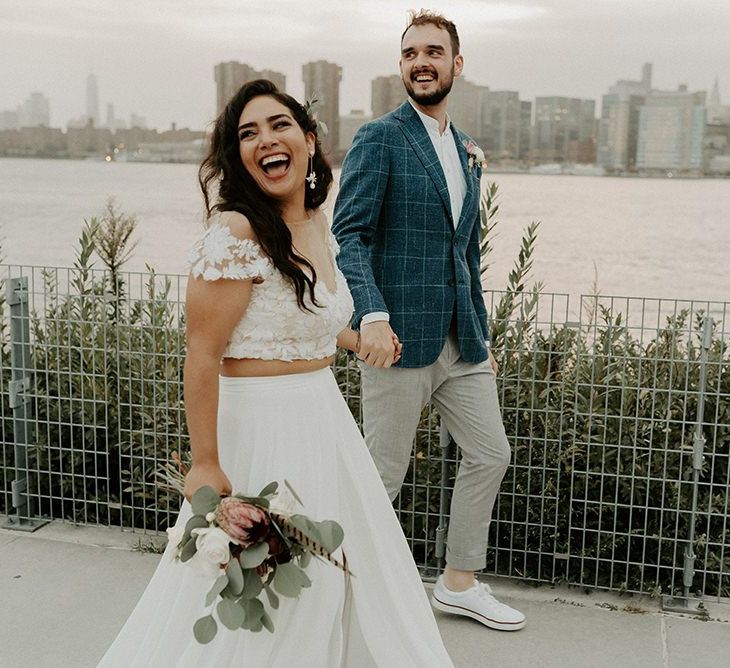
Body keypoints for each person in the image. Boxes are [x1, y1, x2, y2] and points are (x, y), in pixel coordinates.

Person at [97, 79, 455, 668]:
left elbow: (302, 318)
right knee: (257, 589)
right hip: (259, 431)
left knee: (333, 583)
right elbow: (202, 354)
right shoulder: (236, 234)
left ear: (309, 142)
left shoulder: (317, 222)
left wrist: (356, 337)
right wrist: (206, 464)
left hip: (324, 423)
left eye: (279, 125)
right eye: (247, 133)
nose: (266, 139)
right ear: (238, 157)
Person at [332, 10, 526, 631]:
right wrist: (373, 317)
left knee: (490, 453)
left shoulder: (464, 149)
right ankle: (339, 587)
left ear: (456, 64)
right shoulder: (379, 137)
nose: (422, 61)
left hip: (460, 340)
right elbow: (350, 235)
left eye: (434, 52)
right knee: (382, 474)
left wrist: (482, 337)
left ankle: (459, 582)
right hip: (396, 339)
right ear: (401, 65)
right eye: (411, 51)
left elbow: (465, 252)